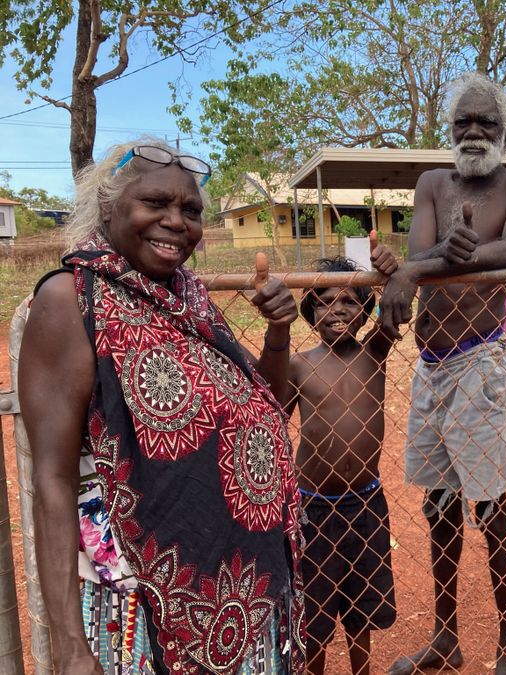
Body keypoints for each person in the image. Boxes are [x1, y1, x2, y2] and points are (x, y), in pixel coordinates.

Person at [18, 140, 306, 674]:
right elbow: (53, 480)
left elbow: (265, 413)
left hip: (244, 596)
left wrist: (279, 335)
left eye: (191, 210)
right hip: (141, 613)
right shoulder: (71, 301)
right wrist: (69, 646)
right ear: (108, 207)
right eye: (156, 203)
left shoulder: (188, 301)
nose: (176, 222)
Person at [380, 73, 506, 675]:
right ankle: (446, 638)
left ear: (504, 130)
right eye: (462, 124)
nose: (474, 133)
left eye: (486, 123)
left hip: (479, 362)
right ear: (449, 131)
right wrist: (428, 261)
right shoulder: (432, 183)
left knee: (489, 508)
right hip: (432, 369)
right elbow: (427, 253)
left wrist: (420, 268)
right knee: (439, 507)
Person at [282, 249, 400, 675]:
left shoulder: (375, 353)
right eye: (326, 300)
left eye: (351, 300)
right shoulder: (300, 365)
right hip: (313, 505)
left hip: (366, 503)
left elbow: (394, 313)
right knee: (315, 612)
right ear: (311, 312)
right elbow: (277, 413)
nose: (338, 309)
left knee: (361, 606)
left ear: (366, 310)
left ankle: (361, 670)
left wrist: (388, 277)